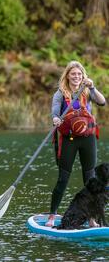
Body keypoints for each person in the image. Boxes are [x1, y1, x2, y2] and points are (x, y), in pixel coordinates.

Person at [45, 60, 105, 227]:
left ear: (83, 75)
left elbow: (102, 102)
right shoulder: (59, 94)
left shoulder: (87, 90)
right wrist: (56, 119)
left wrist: (92, 87)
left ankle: (92, 219)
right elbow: (55, 114)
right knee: (63, 179)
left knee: (90, 180)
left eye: (79, 74)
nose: (76, 76)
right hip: (69, 140)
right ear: (68, 75)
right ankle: (52, 215)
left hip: (88, 139)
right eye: (73, 74)